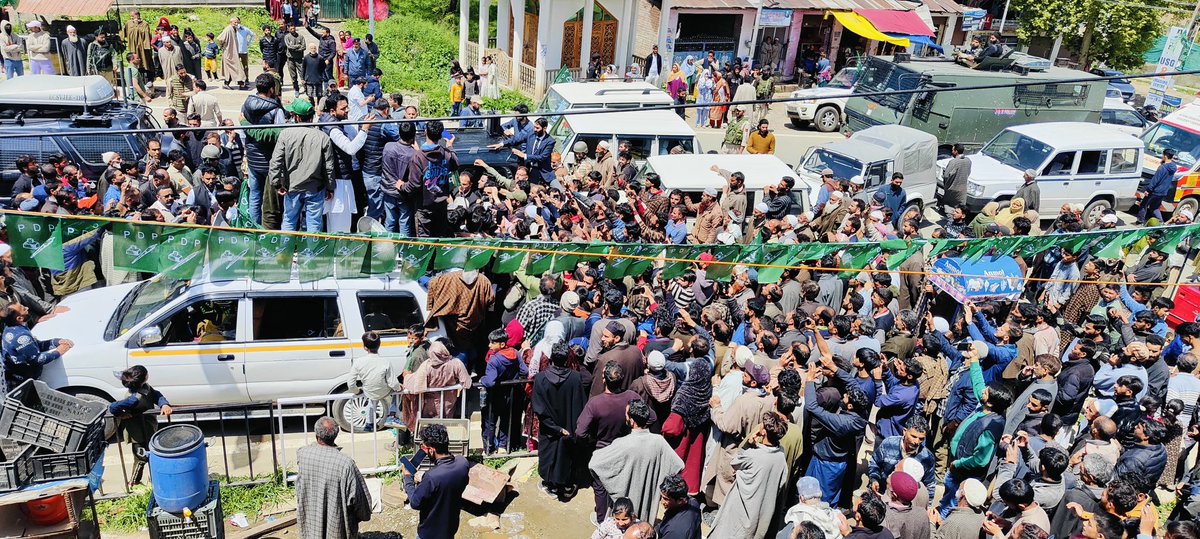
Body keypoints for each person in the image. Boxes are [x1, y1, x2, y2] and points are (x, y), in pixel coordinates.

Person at [590, 399, 683, 525]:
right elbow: (678, 465)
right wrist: (657, 484)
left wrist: (616, 484)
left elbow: (594, 463)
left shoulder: (623, 443)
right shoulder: (659, 442)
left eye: (626, 414)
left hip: (623, 509)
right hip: (647, 508)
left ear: (632, 421)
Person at [707, 412, 789, 539]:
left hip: (741, 511)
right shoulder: (780, 456)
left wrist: (748, 444)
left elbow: (734, 463)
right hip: (761, 514)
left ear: (764, 432)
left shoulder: (752, 455)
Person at [295, 416, 372, 539]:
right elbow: (362, 505)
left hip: (311, 528)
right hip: (336, 530)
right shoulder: (345, 464)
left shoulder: (303, 454)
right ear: (336, 435)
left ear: (317, 436)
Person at [270, 98, 334, 232]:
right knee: (314, 224)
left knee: (289, 220)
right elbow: (329, 167)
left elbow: (275, 161)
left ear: (297, 117)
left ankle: (285, 252)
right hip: (315, 188)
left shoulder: (285, 134)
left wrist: (276, 183)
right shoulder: (323, 137)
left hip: (292, 187)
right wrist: (330, 187)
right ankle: (310, 252)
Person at [532, 342, 586, 500]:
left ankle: (550, 485)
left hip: (548, 428)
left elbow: (539, 408)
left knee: (548, 455)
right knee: (566, 456)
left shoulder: (540, 378)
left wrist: (553, 427)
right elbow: (581, 404)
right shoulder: (575, 378)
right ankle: (565, 483)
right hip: (569, 426)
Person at [403, 423, 471, 539]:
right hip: (450, 528)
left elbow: (415, 502)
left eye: (424, 448)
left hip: (429, 533)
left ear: (431, 450)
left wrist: (408, 477)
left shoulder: (431, 478)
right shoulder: (463, 463)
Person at [108, 365, 172, 487]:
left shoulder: (145, 387)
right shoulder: (134, 399)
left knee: (153, 455)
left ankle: (156, 481)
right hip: (137, 433)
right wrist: (119, 414)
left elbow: (156, 394)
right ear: (144, 378)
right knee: (141, 458)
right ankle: (133, 483)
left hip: (148, 428)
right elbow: (113, 407)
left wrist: (164, 404)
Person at [1, 302, 71, 394]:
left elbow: (35, 346)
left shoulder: (12, 328)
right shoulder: (20, 336)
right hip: (23, 386)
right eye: (23, 309)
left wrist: (55, 342)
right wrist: (58, 352)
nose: (27, 308)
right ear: (19, 318)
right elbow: (37, 359)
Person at [348, 332, 401, 432]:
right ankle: (392, 415)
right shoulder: (385, 362)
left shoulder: (359, 362)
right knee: (396, 392)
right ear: (379, 345)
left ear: (365, 347)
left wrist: (356, 391)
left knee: (371, 400)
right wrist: (399, 388)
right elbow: (393, 383)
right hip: (384, 391)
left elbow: (350, 383)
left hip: (369, 391)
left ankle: (369, 423)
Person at [656, 474, 701, 539]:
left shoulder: (674, 531)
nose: (661, 502)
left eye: (666, 499)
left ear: (680, 500)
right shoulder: (693, 502)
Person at [1139, 148, 1176, 224]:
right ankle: (1161, 222)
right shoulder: (1173, 167)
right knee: (1155, 207)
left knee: (1143, 205)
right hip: (1163, 192)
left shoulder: (1162, 168)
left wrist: (1148, 190)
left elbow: (1155, 180)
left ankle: (1140, 221)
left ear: (1165, 156)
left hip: (1154, 191)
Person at [218, 17, 250, 89]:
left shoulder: (234, 29)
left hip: (233, 52)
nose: (236, 24)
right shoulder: (228, 29)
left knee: (233, 69)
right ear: (231, 22)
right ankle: (241, 84)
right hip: (229, 53)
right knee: (236, 68)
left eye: (237, 22)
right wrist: (222, 46)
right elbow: (220, 39)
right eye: (235, 22)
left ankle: (232, 83)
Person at [940, 143, 970, 215]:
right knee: (960, 209)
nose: (951, 151)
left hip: (952, 189)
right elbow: (968, 173)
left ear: (956, 151)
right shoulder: (968, 161)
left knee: (949, 208)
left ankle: (950, 221)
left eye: (952, 150)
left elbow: (946, 175)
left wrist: (946, 184)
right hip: (962, 189)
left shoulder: (953, 162)